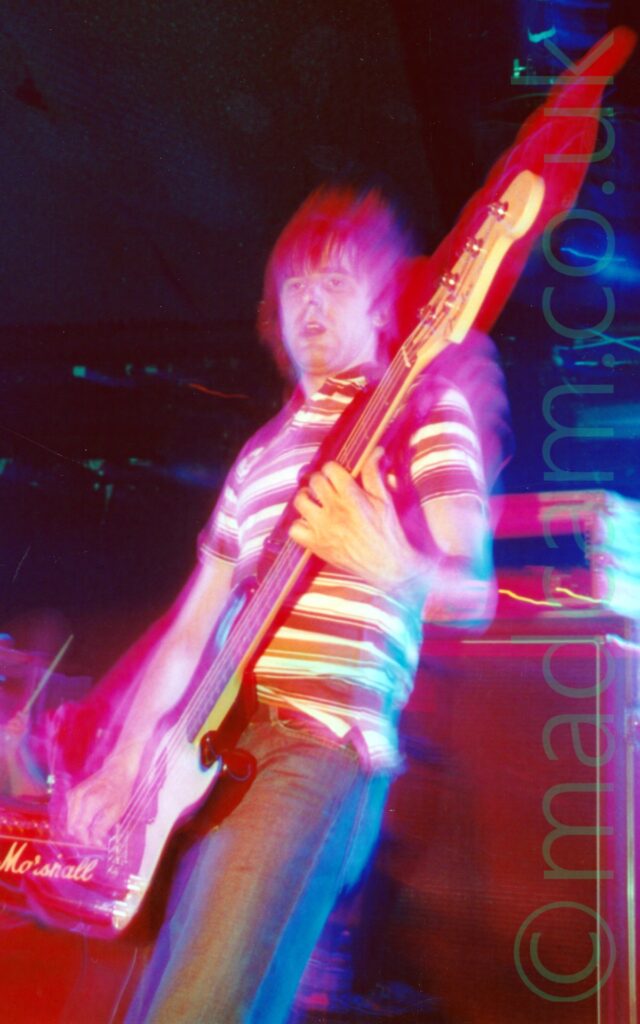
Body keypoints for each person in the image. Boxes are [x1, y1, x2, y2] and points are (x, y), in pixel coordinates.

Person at [65, 185, 497, 1023]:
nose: (309, 302)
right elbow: (195, 623)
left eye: (335, 281)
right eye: (295, 286)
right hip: (204, 753)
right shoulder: (261, 455)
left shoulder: (423, 411)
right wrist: (125, 766)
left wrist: (392, 566)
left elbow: (473, 592)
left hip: (315, 746)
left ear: (381, 305)